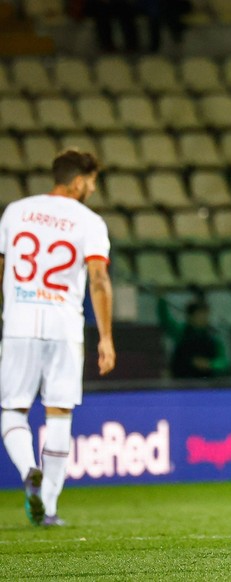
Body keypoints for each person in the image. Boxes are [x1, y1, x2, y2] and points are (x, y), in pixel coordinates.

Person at [0, 149, 115, 527]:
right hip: (64, 325)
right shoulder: (90, 222)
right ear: (79, 181)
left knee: (13, 410)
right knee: (60, 412)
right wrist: (106, 337)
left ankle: (28, 468)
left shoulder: (15, 211)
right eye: (93, 182)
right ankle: (48, 507)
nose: (93, 190)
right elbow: (98, 280)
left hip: (19, 321)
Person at [157, 296, 229, 379]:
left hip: (207, 384)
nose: (204, 318)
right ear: (190, 316)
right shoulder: (181, 332)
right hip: (182, 383)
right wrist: (161, 299)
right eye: (199, 315)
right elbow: (166, 321)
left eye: (206, 314)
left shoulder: (213, 337)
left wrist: (210, 364)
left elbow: (224, 362)